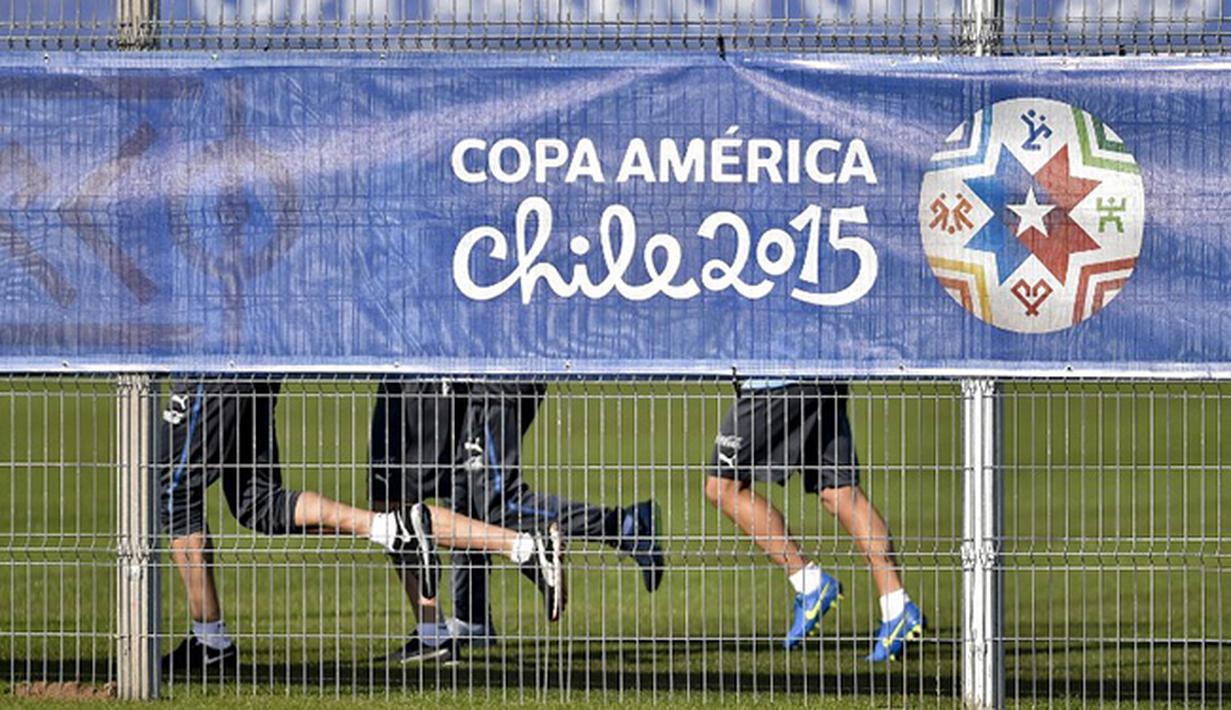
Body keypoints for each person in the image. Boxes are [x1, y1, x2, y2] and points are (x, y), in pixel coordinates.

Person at [158, 378, 565, 673]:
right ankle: (431, 611)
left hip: (415, 360)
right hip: (378, 360)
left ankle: (209, 640)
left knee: (172, 488)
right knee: (259, 505)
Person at [370, 379, 665, 663]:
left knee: (500, 505)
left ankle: (625, 526)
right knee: (466, 494)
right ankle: (471, 619)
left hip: (496, 382)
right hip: (486, 382)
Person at [703, 379, 925, 662]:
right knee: (840, 493)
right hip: (823, 373)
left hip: (774, 378)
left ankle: (809, 582)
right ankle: (897, 606)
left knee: (722, 489)